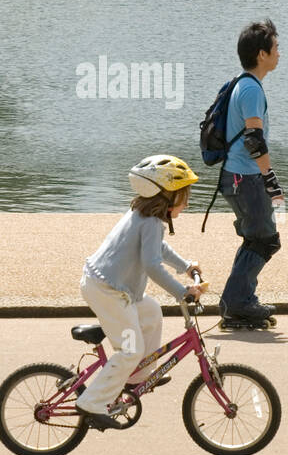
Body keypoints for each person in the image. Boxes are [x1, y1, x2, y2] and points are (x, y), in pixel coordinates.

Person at [74, 156, 206, 429]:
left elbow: (158, 250)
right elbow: (152, 265)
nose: (187, 203)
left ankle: (138, 376)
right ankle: (92, 402)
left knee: (151, 312)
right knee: (130, 349)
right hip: (107, 289)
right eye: (183, 196)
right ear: (166, 197)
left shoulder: (146, 218)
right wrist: (182, 292)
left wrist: (185, 266)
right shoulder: (150, 222)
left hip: (113, 287)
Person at [217, 19, 283, 329]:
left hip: (238, 177)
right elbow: (254, 140)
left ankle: (240, 300)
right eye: (275, 47)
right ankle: (237, 303)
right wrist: (270, 179)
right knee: (265, 240)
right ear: (261, 54)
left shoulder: (244, 85)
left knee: (256, 239)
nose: (279, 53)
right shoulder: (250, 90)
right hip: (246, 179)